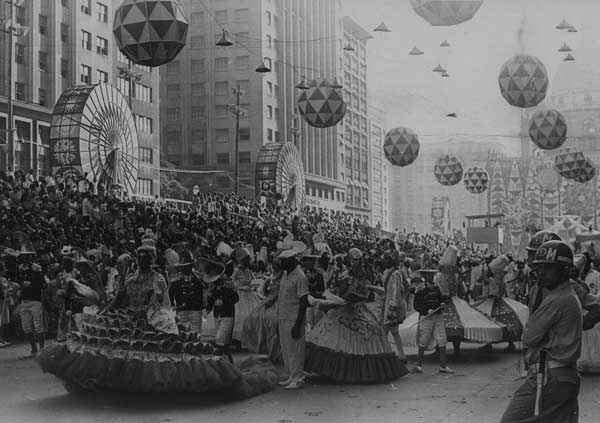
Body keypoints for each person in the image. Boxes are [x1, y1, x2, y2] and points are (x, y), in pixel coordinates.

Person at [500, 240, 582, 423]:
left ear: (565, 270)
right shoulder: (565, 294)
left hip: (549, 376)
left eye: (549, 268)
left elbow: (529, 337)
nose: (541, 273)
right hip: (564, 376)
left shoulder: (558, 299)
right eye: (539, 268)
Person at [276, 248, 309, 390]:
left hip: (294, 318)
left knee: (295, 350)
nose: (281, 264)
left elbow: (303, 301)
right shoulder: (285, 274)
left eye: (283, 261)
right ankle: (291, 375)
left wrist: (298, 324)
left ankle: (298, 378)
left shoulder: (300, 277)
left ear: (291, 262)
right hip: (283, 316)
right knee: (286, 349)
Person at [369, 250, 410, 363]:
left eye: (387, 259)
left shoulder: (395, 274)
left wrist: (392, 309)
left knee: (384, 332)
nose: (384, 261)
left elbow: (395, 292)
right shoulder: (390, 273)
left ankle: (383, 355)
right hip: (390, 305)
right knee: (393, 332)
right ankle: (401, 356)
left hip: (392, 308)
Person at [412, 269, 452, 374]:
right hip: (427, 318)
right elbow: (416, 305)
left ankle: (443, 366)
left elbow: (441, 299)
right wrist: (426, 310)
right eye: (428, 274)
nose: (430, 276)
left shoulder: (436, 287)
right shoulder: (420, 288)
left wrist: (442, 304)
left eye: (432, 274)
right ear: (424, 275)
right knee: (423, 340)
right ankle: (418, 365)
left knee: (442, 339)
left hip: (437, 316)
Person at [206, 274, 239, 363]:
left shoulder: (229, 288)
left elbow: (236, 298)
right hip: (217, 316)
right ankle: (228, 364)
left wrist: (223, 301)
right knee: (224, 344)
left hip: (227, 315)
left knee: (220, 339)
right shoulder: (213, 290)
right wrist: (209, 307)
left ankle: (222, 363)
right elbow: (210, 302)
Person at [18, 261, 46, 359]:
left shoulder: (36, 268)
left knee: (38, 325)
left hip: (35, 301)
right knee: (26, 327)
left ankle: (42, 351)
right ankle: (34, 350)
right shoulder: (21, 270)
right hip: (24, 302)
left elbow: (42, 284)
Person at [169, 262, 206, 333]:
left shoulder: (198, 279)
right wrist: (172, 304)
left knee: (196, 332)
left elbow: (204, 290)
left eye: (188, 267)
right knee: (183, 333)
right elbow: (171, 292)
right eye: (184, 267)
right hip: (181, 309)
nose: (186, 269)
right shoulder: (176, 280)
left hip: (195, 309)